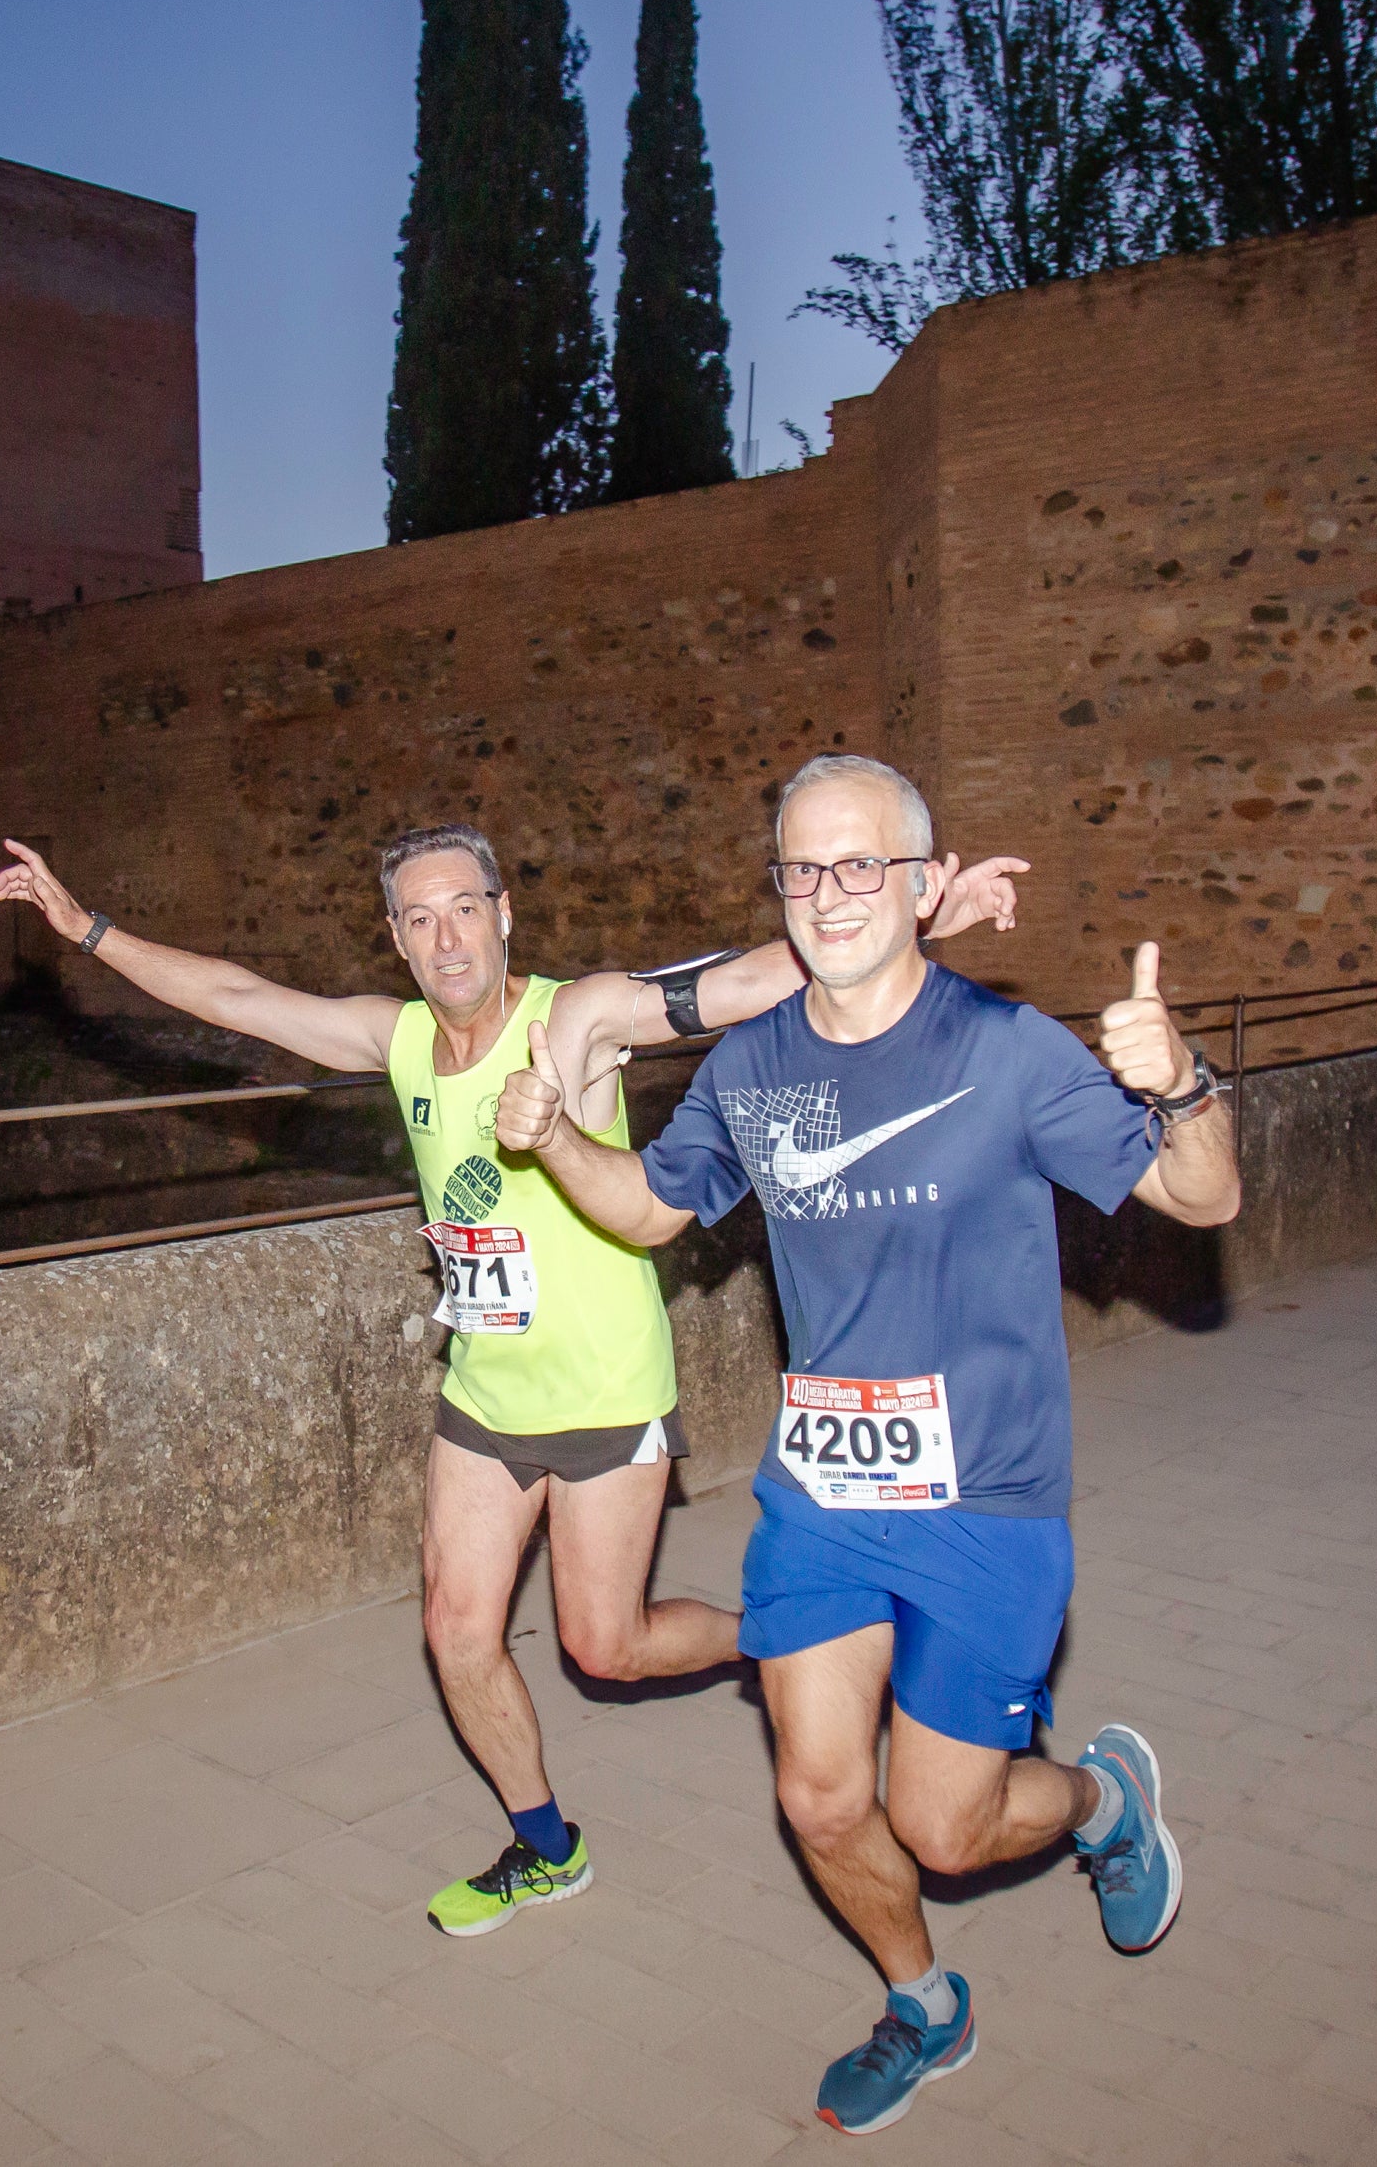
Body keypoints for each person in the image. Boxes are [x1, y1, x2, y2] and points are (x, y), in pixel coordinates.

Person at [0, 822, 1026, 1937]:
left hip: (600, 1389)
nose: (447, 936)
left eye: (464, 907)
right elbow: (235, 996)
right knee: (455, 1626)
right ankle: (544, 1846)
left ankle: (793, 1633)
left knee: (603, 1646)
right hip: (483, 1389)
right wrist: (86, 929)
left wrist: (903, 924)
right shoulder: (390, 1040)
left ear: (503, 912)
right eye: (420, 917)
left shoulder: (573, 1017)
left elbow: (726, 985)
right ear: (394, 937)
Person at [495, 753, 1237, 2135]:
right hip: (826, 1494)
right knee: (824, 1796)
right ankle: (924, 2005)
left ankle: (1099, 1801)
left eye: (859, 865)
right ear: (777, 890)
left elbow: (1205, 1197)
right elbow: (656, 1211)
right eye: (802, 868)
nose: (829, 894)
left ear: (920, 884)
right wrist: (549, 1147)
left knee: (946, 1830)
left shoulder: (1006, 1051)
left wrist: (1182, 1082)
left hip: (989, 1500)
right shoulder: (754, 1063)